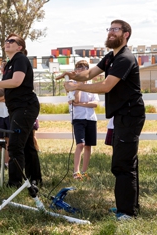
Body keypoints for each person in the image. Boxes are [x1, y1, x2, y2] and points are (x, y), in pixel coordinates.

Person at [56, 20, 145, 220]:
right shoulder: (111, 57)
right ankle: (128, 206)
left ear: (126, 34)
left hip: (130, 116)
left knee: (122, 164)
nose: (111, 32)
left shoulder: (125, 57)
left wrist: (76, 87)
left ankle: (127, 212)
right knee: (126, 162)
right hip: (122, 116)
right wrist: (74, 75)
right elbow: (89, 73)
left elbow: (105, 86)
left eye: (116, 29)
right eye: (110, 29)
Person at [0, 33, 42, 188]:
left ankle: (14, 184)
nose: (7, 43)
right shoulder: (9, 64)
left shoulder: (20, 59)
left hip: (25, 107)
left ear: (20, 47)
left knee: (14, 145)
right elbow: (6, 90)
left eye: (12, 41)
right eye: (6, 41)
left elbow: (16, 82)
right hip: (16, 108)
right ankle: (35, 180)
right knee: (27, 145)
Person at [68, 60, 99, 180]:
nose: (81, 69)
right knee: (80, 143)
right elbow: (75, 100)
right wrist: (79, 85)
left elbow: (95, 104)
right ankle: (76, 172)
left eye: (84, 67)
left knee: (88, 146)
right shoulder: (71, 84)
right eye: (79, 67)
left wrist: (81, 104)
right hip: (78, 118)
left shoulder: (91, 84)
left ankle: (84, 171)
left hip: (91, 118)